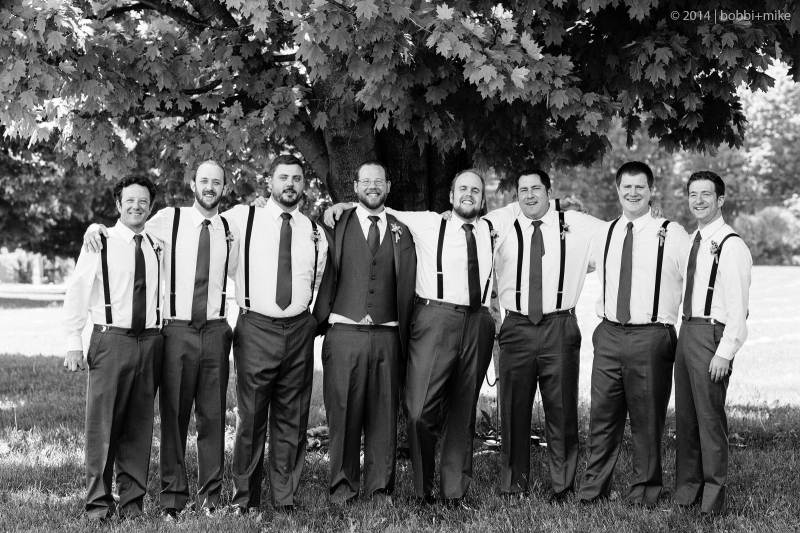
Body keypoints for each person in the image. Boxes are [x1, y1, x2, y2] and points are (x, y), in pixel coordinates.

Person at [325, 169, 495, 508]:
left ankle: (454, 491)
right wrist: (343, 205)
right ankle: (422, 489)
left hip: (478, 322)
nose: (469, 194)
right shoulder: (427, 222)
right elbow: (377, 206)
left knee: (463, 410)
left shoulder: (494, 227)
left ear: (482, 197)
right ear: (450, 195)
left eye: (475, 190)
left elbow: (529, 208)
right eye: (462, 188)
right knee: (418, 410)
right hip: (435, 318)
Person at [82, 162, 240, 519]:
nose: (210, 186)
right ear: (192, 184)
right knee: (173, 417)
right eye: (203, 180)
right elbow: (126, 227)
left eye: (216, 181)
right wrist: (94, 228)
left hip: (216, 330)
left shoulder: (233, 226)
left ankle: (211, 500)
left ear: (224, 187)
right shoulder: (167, 219)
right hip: (176, 331)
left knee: (213, 418)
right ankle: (172, 501)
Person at [482, 170, 603, 503]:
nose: (530, 195)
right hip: (516, 326)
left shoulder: (575, 223)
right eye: (523, 190)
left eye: (536, 188)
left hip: (559, 326)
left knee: (561, 408)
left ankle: (562, 486)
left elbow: (617, 233)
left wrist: (651, 215)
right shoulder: (503, 225)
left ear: (549, 191)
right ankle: (513, 485)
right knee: (513, 408)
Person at [578, 161, 690, 507]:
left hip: (651, 336)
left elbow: (697, 275)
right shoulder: (604, 233)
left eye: (640, 186)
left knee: (647, 420)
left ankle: (644, 492)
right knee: (602, 418)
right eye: (627, 186)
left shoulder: (672, 233)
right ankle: (593, 491)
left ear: (651, 190)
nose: (633, 192)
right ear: (617, 190)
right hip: (608, 334)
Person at [224, 154, 327, 515]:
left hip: (299, 330)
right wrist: (99, 229)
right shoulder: (243, 218)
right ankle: (244, 499)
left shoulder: (314, 232)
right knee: (251, 418)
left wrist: (311, 322)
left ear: (304, 185)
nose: (290, 184)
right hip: (256, 327)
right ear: (270, 182)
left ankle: (284, 497)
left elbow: (318, 279)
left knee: (292, 417)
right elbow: (202, 226)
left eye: (297, 178)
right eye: (283, 177)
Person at [312, 161, 416, 504]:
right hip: (344, 334)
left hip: (388, 336)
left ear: (388, 187)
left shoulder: (404, 228)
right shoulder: (334, 223)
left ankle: (380, 488)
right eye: (366, 181)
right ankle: (343, 488)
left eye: (379, 181)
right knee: (342, 412)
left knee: (384, 415)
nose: (373, 186)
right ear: (355, 187)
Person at [63, 176, 165, 520]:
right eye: (130, 200)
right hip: (111, 340)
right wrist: (73, 342)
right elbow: (78, 290)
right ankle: (98, 505)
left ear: (150, 206)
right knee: (103, 426)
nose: (137, 206)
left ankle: (133, 504)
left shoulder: (156, 244)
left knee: (139, 426)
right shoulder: (99, 241)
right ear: (118, 204)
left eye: (143, 201)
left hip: (150, 341)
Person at [674, 171, 751, 514]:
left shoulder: (731, 245)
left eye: (706, 194)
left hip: (711, 335)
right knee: (687, 419)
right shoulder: (694, 239)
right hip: (687, 330)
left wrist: (725, 353)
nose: (699, 200)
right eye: (693, 194)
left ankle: (712, 500)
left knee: (709, 420)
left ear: (720, 200)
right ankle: (687, 492)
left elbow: (739, 309)